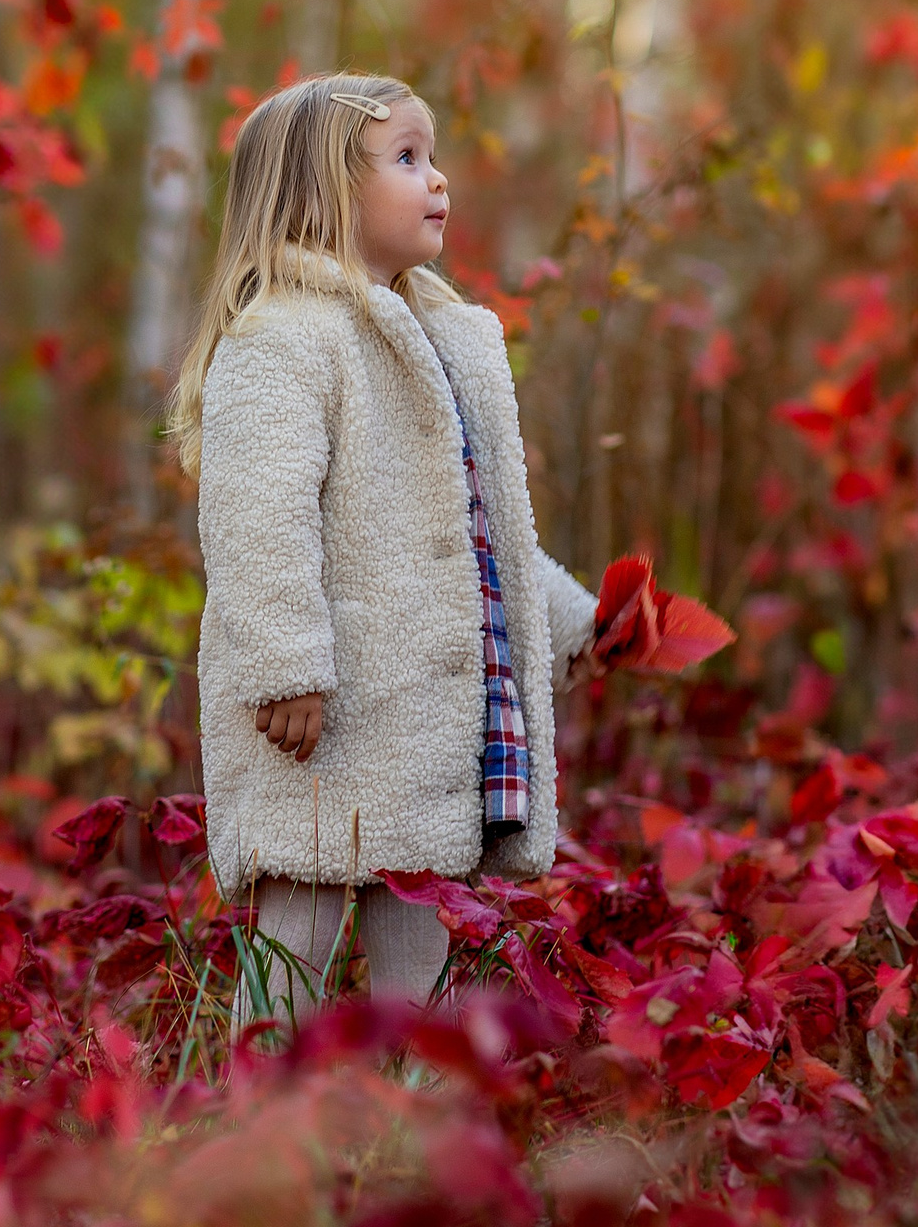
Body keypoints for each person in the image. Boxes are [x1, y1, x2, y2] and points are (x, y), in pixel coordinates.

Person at [172, 71, 611, 1007]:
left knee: (421, 923)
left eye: (433, 155)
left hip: (423, 718)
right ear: (321, 192)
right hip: (321, 718)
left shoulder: (439, 336)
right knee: (300, 921)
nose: (438, 179)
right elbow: (255, 516)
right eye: (407, 159)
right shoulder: (283, 338)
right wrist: (286, 662)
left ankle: (422, 1118)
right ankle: (261, 1121)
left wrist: (578, 623)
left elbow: (484, 522)